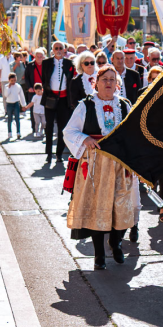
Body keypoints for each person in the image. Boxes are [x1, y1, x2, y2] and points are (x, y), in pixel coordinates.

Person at [63, 65, 136, 270]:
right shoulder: (85, 105)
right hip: (95, 164)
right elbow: (69, 131)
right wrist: (84, 138)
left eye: (112, 79)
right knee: (98, 208)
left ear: (117, 84)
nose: (108, 83)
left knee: (120, 205)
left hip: (119, 164)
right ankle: (99, 255)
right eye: (105, 79)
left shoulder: (124, 105)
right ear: (96, 82)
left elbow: (132, 134)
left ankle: (116, 243)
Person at [42, 42, 75, 162]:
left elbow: (71, 79)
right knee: (49, 126)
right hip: (50, 98)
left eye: (61, 48)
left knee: (62, 128)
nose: (58, 50)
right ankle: (49, 153)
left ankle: (59, 153)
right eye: (56, 48)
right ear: (53, 50)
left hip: (64, 100)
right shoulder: (47, 63)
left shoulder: (69, 63)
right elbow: (44, 79)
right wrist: (48, 92)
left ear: (64, 49)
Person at [3, 74, 28, 140]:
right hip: (9, 104)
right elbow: (6, 95)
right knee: (9, 119)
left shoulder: (18, 86)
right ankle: (9, 133)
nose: (13, 82)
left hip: (16, 103)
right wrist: (8, 87)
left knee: (17, 118)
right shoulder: (6, 86)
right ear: (9, 80)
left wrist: (23, 105)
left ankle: (18, 132)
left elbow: (21, 96)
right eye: (12, 80)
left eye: (14, 80)